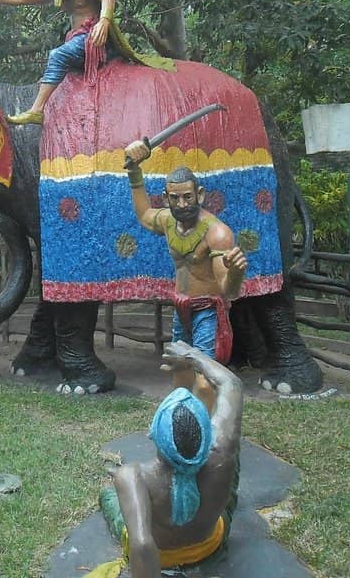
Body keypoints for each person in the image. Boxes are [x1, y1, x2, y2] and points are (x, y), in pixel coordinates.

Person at [108, 340, 243, 576]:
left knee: (110, 497)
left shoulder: (132, 476)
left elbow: (142, 545)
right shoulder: (220, 448)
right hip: (210, 545)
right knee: (231, 450)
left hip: (164, 558)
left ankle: (106, 495)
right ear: (205, 432)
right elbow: (231, 383)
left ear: (154, 435)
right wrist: (193, 355)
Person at [122, 151, 247, 364]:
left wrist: (235, 273)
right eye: (174, 198)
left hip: (207, 309)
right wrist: (134, 170)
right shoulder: (167, 221)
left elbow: (230, 291)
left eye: (187, 197)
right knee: (179, 364)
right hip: (181, 305)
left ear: (199, 195)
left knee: (204, 366)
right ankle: (183, 397)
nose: (181, 204)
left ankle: (205, 397)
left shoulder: (217, 233)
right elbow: (144, 214)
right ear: (165, 198)